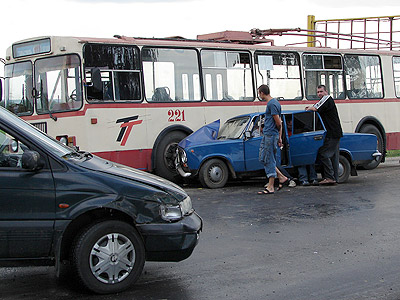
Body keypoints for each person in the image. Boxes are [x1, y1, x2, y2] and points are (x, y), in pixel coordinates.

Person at [306, 85, 343, 185]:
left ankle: (329, 177)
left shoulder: (327, 99)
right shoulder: (325, 100)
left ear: (326, 91)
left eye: (321, 91)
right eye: (318, 92)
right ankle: (334, 177)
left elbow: (316, 108)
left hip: (333, 133)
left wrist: (310, 108)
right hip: (333, 133)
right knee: (333, 156)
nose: (319, 94)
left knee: (324, 154)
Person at [257, 84, 282, 194]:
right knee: (263, 158)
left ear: (262, 93)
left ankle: (271, 186)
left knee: (269, 159)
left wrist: (277, 135)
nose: (259, 95)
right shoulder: (273, 103)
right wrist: (279, 136)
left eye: (259, 93)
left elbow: (278, 122)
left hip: (270, 135)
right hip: (268, 134)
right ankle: (281, 177)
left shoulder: (272, 104)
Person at [286, 116, 318, 186]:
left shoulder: (298, 131)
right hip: (295, 150)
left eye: (291, 124)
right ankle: (306, 179)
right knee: (302, 162)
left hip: (302, 149)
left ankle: (310, 178)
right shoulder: (288, 132)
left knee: (308, 161)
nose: (289, 126)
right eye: (288, 124)